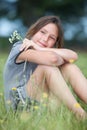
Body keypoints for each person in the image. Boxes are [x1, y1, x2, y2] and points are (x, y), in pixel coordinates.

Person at [3, 15, 87, 119]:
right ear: (34, 31)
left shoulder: (41, 50)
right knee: (48, 67)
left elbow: (73, 56)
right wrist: (56, 57)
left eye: (52, 37)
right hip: (20, 108)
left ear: (55, 42)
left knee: (70, 67)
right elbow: (54, 60)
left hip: (43, 103)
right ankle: (81, 115)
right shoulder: (20, 47)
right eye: (42, 32)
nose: (45, 39)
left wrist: (39, 48)